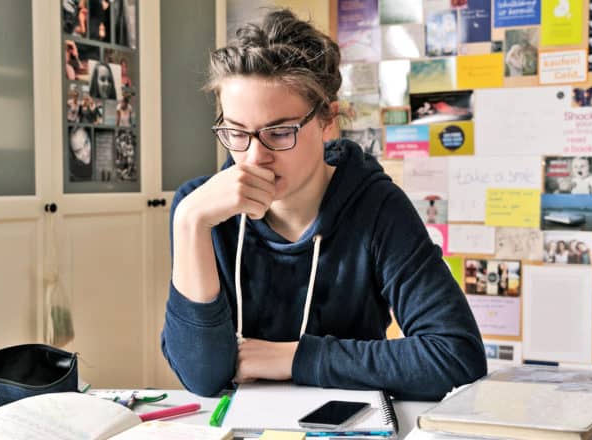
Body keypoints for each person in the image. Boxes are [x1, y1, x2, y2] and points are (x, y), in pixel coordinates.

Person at [161, 9, 486, 400]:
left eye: (279, 133)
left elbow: (456, 357)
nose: (253, 158)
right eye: (235, 132)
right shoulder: (201, 211)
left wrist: (296, 358)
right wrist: (188, 223)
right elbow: (202, 377)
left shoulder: (377, 207)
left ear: (327, 120)